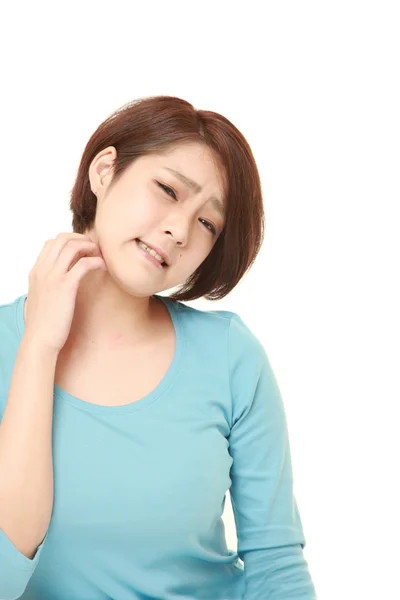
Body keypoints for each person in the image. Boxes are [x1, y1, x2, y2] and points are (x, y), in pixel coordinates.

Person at [0, 95, 317, 599]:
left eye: (208, 224)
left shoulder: (232, 356)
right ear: (105, 170)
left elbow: (275, 564)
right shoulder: (7, 346)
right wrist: (38, 346)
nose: (179, 230)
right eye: (168, 190)